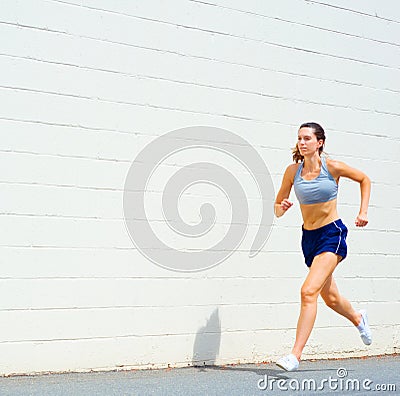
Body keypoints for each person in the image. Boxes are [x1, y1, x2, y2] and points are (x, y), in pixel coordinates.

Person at [274, 122, 372, 372]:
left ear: (320, 143)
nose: (302, 142)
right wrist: (282, 207)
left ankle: (295, 355)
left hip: (332, 233)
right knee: (330, 298)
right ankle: (358, 318)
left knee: (308, 291)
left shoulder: (333, 167)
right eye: (299, 138)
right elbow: (276, 207)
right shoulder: (292, 171)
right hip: (309, 238)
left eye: (307, 138)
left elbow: (364, 179)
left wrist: (362, 212)